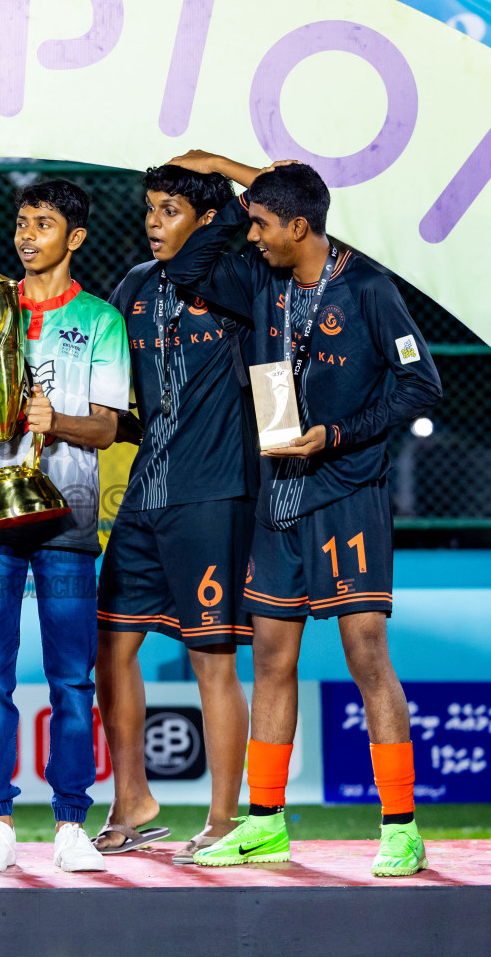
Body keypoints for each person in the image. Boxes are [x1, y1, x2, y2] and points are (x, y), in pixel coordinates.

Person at [156, 153, 442, 876]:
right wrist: (227, 182)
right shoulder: (262, 279)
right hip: (277, 492)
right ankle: (265, 822)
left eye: (261, 225)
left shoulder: (370, 289)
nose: (251, 238)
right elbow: (190, 271)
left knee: (366, 657)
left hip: (346, 490)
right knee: (273, 661)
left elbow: (422, 386)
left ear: (300, 226)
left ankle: (401, 828)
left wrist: (339, 435)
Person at [0, 180, 129, 873]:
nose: (26, 236)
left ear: (74, 238)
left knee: (71, 679)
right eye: (20, 223)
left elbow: (107, 427)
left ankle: (71, 821)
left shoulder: (102, 321)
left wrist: (59, 423)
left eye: (42, 225)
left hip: (68, 517)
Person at [94, 161, 271, 862]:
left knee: (211, 659)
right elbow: (124, 406)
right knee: (111, 648)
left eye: (170, 209)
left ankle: (226, 822)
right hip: (144, 495)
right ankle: (133, 800)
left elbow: (287, 202)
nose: (152, 222)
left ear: (207, 218)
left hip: (216, 493)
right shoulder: (133, 287)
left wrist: (218, 171)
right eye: (149, 210)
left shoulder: (239, 280)